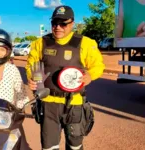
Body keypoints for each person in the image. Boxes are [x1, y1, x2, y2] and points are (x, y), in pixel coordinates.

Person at [25, 5, 105, 150]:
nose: (58, 27)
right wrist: (34, 79)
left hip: (74, 103)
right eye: (54, 23)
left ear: (72, 23)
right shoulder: (40, 43)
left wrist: (90, 75)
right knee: (49, 147)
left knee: (75, 146)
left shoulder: (85, 43)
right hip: (48, 103)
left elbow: (97, 65)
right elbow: (33, 64)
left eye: (63, 23)